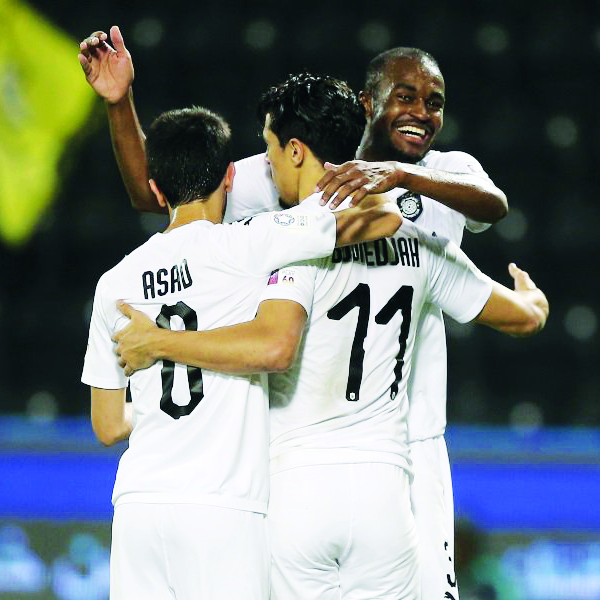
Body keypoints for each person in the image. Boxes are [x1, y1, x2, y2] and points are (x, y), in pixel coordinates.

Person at [79, 28, 510, 599]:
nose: (421, 112)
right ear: (366, 104)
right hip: (298, 452)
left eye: (434, 102)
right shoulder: (283, 176)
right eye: (404, 96)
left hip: (413, 442)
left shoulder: (446, 172)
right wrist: (120, 104)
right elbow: (163, 191)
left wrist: (403, 178)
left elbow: (494, 205)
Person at [80, 106, 401, 599]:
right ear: (230, 177)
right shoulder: (249, 243)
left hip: (138, 505)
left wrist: (159, 369)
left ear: (157, 188)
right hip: (222, 507)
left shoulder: (113, 284)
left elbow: (107, 425)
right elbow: (384, 217)